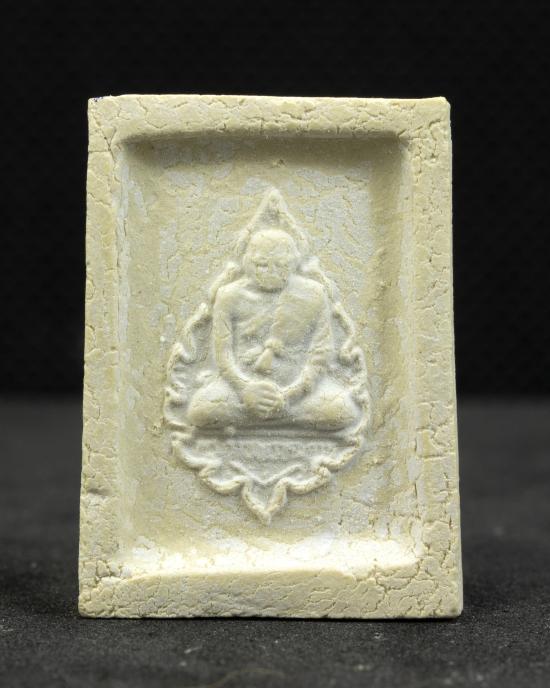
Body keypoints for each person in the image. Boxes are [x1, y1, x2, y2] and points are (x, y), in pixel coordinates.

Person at [186, 227, 361, 432]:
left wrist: (290, 395)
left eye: (281, 265)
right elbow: (223, 355)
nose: (271, 271)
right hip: (239, 390)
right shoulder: (229, 295)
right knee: (200, 411)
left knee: (343, 410)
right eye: (262, 264)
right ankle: (282, 418)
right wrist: (245, 389)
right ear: (247, 262)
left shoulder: (314, 294)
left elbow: (321, 353)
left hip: (298, 394)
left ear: (294, 262)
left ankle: (269, 415)